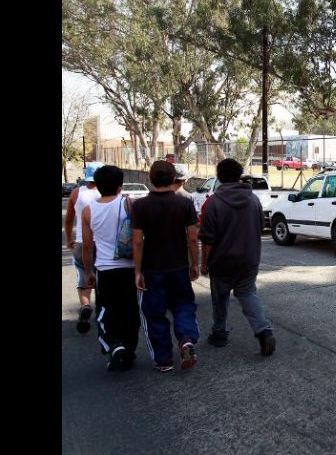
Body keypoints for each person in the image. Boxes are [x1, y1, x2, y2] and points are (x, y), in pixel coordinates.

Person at [199, 158, 276, 356]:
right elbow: (260, 228)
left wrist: (204, 263)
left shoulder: (213, 202)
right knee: (248, 294)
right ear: (239, 175)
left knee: (220, 298)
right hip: (248, 259)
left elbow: (207, 239)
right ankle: (264, 332)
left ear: (219, 177)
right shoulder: (253, 200)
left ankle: (219, 334)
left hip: (221, 262)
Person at [132, 160, 201, 372]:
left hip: (152, 270)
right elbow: (192, 237)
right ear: (173, 179)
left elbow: (137, 241)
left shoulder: (140, 205)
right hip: (179, 267)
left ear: (150, 179)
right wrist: (194, 264)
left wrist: (137, 271)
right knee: (183, 306)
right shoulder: (185, 204)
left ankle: (163, 360)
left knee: (154, 314)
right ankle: (187, 339)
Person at [81, 165, 140, 371]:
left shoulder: (89, 210)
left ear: (97, 186)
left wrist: (88, 272)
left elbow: (88, 245)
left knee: (107, 310)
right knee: (131, 311)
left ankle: (114, 344)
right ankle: (129, 352)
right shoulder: (129, 204)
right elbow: (139, 236)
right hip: (129, 268)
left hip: (105, 270)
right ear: (119, 184)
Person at [64, 162, 104, 333]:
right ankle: (103, 312)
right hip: (103, 244)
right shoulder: (107, 193)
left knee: (83, 278)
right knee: (102, 278)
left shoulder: (75, 193)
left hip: (81, 243)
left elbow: (68, 220)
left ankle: (86, 305)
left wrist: (69, 239)